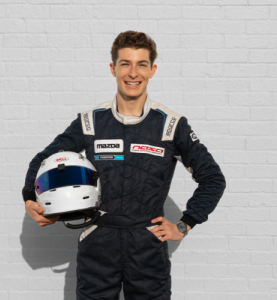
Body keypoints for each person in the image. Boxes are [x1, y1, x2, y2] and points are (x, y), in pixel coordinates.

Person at [22, 30, 226, 300]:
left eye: (141, 64)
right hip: (98, 241)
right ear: (113, 69)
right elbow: (43, 160)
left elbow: (212, 178)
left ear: (152, 70)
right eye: (125, 64)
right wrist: (29, 199)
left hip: (148, 244)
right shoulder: (90, 122)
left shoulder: (171, 125)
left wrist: (184, 224)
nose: (133, 73)